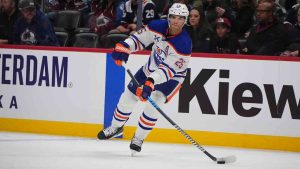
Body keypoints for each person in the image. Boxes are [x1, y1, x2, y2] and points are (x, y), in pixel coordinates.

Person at [97, 3, 192, 154]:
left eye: (180, 18)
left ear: (185, 20)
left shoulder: (184, 44)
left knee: (153, 105)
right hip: (150, 69)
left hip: (171, 78)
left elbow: (167, 70)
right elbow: (139, 39)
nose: (175, 21)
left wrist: (150, 82)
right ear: (168, 17)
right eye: (173, 17)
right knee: (127, 97)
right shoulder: (157, 26)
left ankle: (139, 138)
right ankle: (115, 127)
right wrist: (125, 46)